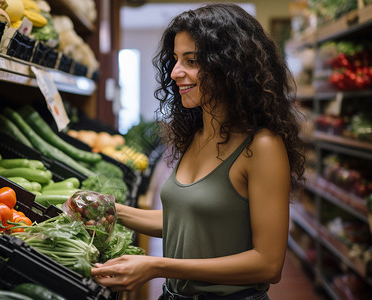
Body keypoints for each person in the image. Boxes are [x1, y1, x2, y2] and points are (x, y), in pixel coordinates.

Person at [91, 3, 307, 300]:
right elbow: (187, 220)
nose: (176, 72)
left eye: (191, 61)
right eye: (176, 59)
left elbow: (268, 264)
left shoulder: (262, 146)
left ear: (230, 66)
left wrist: (157, 266)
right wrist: (110, 209)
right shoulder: (197, 134)